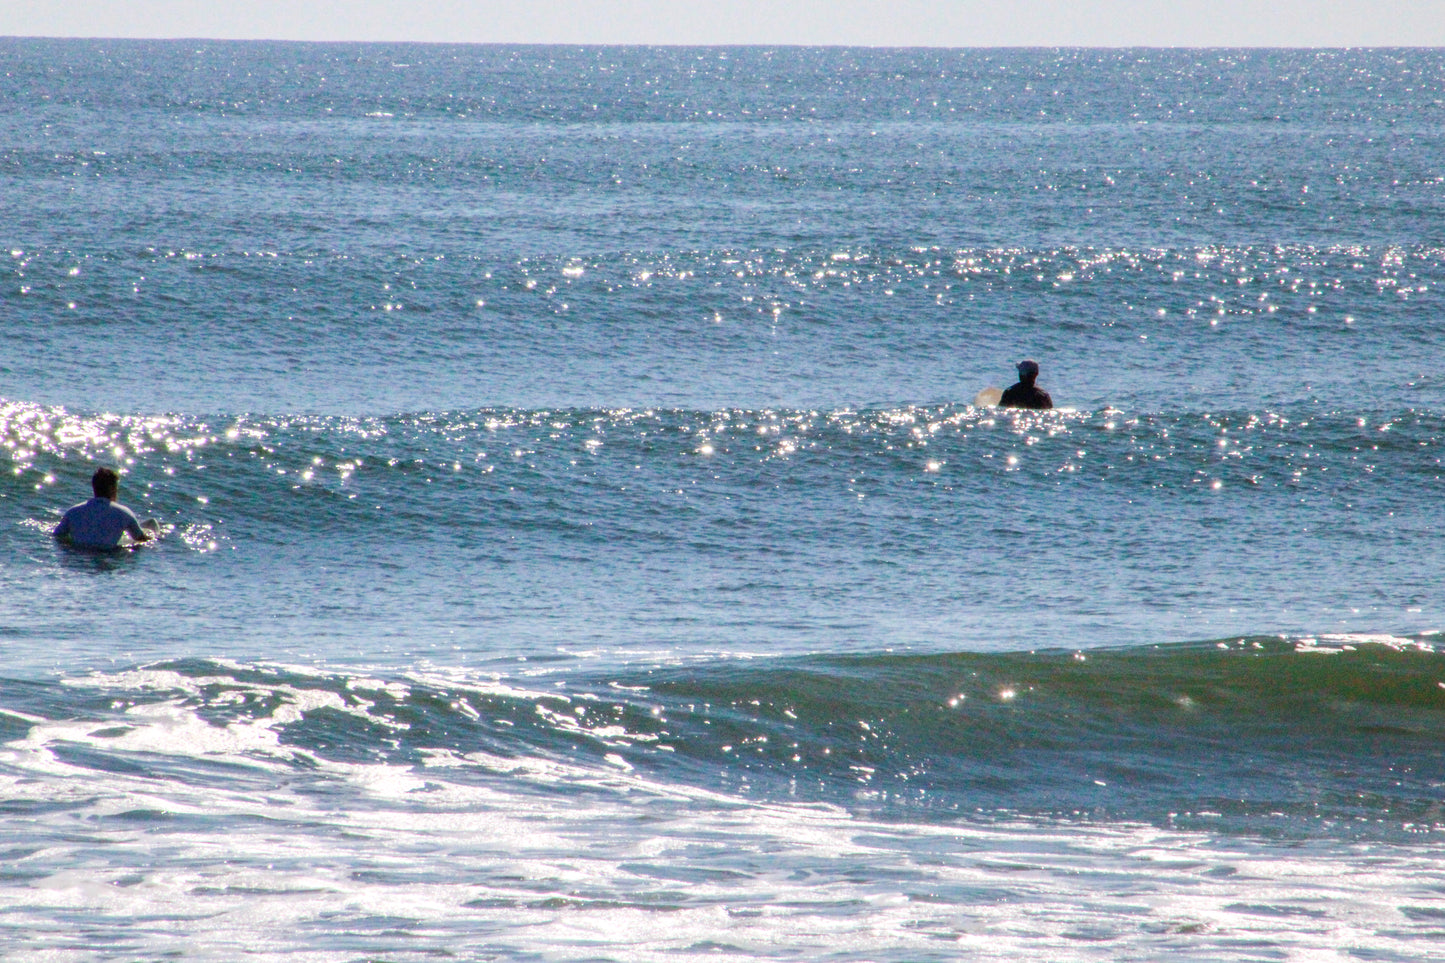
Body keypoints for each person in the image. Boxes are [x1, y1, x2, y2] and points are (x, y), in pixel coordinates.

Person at [53, 467, 153, 548]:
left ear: (94, 487)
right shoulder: (125, 513)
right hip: (108, 556)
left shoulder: (73, 511)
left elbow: (57, 536)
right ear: (113, 489)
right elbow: (140, 538)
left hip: (79, 555)